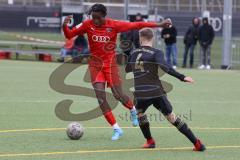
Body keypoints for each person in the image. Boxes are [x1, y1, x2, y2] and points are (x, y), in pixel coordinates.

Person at [62, 3, 171, 141]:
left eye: (98, 18)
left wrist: (160, 25)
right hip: (95, 66)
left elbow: (136, 25)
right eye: (93, 17)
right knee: (101, 99)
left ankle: (132, 110)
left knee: (118, 95)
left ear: (104, 16)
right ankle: (116, 128)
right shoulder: (87, 24)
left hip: (110, 65)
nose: (95, 21)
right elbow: (69, 34)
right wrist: (64, 26)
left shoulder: (114, 25)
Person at [126, 28, 206, 151]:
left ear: (140, 38)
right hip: (156, 91)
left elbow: (127, 69)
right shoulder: (156, 52)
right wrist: (182, 77)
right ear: (152, 38)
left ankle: (150, 141)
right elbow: (165, 67)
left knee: (140, 114)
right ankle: (197, 144)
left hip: (141, 93)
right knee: (171, 117)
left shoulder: (134, 53)